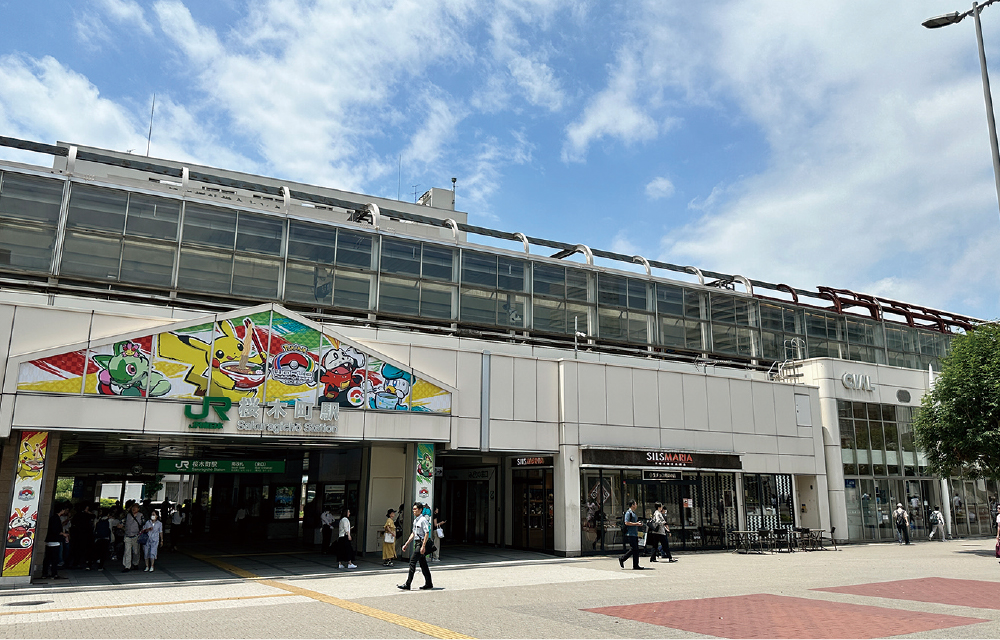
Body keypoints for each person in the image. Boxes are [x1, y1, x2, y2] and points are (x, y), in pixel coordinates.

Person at [398, 502, 433, 590]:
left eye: (415, 509)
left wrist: (423, 546)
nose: (414, 511)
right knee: (423, 564)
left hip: (421, 543)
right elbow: (413, 533)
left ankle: (408, 584)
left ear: (420, 510)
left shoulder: (423, 520)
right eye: (413, 509)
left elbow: (426, 533)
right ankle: (429, 583)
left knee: (412, 562)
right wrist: (406, 544)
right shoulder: (416, 520)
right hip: (417, 543)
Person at [42, 503, 70, 580]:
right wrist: (63, 534)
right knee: (54, 558)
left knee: (47, 558)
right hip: (55, 541)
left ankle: (45, 573)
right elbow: (56, 530)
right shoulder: (56, 518)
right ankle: (54, 574)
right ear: (62, 510)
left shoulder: (52, 518)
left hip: (49, 540)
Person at [618, 499, 645, 570]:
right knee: (634, 549)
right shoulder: (628, 513)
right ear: (632, 505)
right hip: (630, 534)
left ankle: (635, 564)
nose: (636, 505)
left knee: (635, 549)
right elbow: (626, 522)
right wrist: (636, 524)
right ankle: (623, 559)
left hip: (635, 533)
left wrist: (638, 524)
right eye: (635, 504)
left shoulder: (633, 513)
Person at [120, 502, 145, 572]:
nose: (134, 509)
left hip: (136, 535)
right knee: (127, 551)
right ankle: (127, 566)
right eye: (133, 507)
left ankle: (135, 563)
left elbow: (143, 524)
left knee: (136, 551)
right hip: (127, 535)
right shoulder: (128, 515)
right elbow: (122, 521)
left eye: (136, 507)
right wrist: (120, 525)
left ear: (138, 509)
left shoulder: (141, 515)